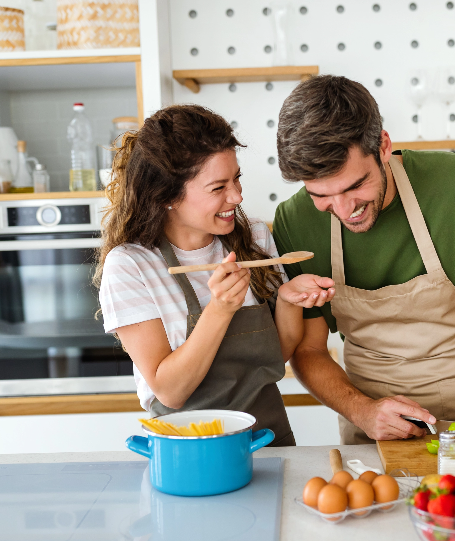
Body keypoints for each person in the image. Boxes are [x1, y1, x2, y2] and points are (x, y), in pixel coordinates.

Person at [273, 75, 455, 447]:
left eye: (355, 185)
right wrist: (363, 411)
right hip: (372, 435)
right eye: (321, 195)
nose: (344, 210)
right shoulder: (295, 223)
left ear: (384, 146)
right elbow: (308, 350)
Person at [94, 104, 335, 447]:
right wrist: (220, 310)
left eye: (236, 178)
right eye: (218, 186)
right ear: (166, 195)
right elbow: (171, 391)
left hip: (269, 436)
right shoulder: (131, 266)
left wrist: (287, 300)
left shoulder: (254, 237)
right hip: (192, 449)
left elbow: (277, 353)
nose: (237, 197)